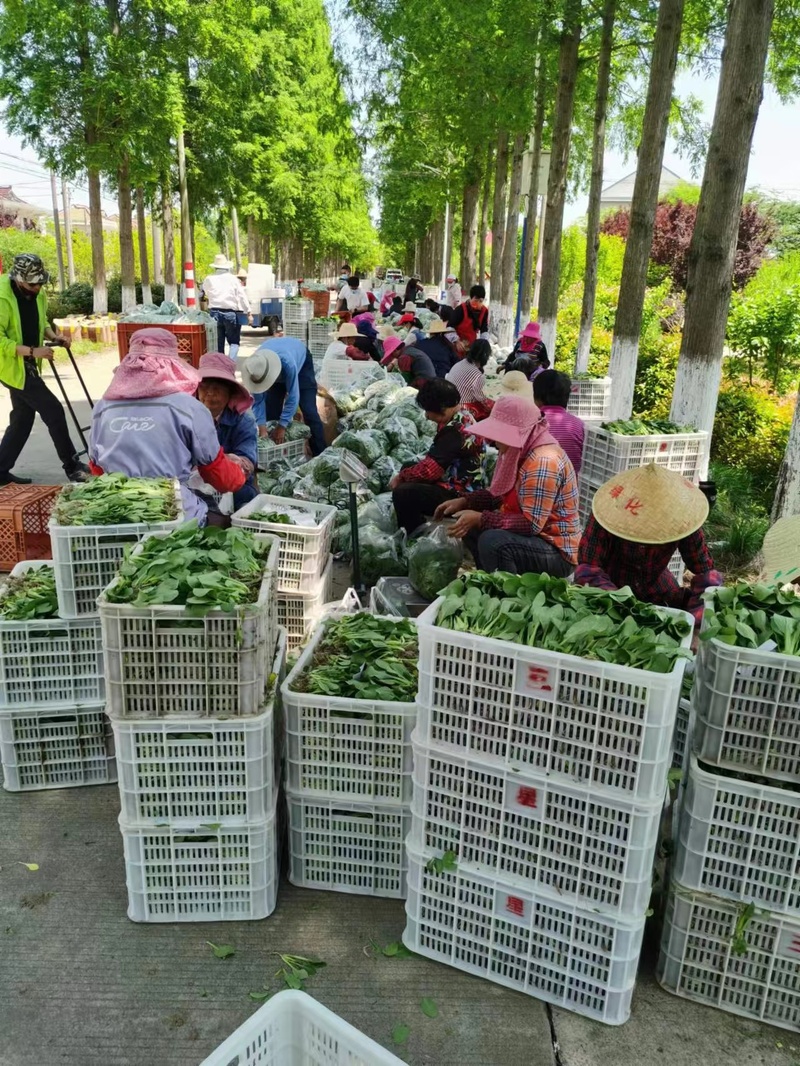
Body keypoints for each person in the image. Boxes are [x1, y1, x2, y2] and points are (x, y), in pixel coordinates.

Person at [89, 328, 245, 522]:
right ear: (173, 365)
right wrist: (239, 474)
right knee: (222, 522)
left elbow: (96, 468)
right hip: (169, 508)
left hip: (114, 509)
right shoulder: (190, 408)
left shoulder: (102, 407)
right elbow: (220, 476)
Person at [435, 394, 580, 577]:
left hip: (554, 549)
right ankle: (488, 581)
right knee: (471, 528)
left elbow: (531, 524)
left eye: (499, 435)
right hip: (534, 539)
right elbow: (500, 493)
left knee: (493, 541)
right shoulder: (519, 453)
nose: (494, 442)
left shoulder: (542, 461)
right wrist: (465, 501)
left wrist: (481, 518)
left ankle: (505, 596)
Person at [574, 464, 723, 624]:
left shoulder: (682, 519)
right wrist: (622, 606)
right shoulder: (609, 513)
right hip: (609, 587)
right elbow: (588, 570)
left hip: (655, 586)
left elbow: (706, 573)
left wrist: (697, 623)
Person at [0, 253, 89, 484]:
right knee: (53, 410)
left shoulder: (37, 294)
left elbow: (41, 322)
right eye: (32, 284)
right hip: (10, 366)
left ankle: (0, 471)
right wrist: (31, 351)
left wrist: (54, 336)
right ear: (19, 280)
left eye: (40, 283)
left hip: (28, 362)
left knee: (22, 418)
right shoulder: (2, 296)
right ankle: (72, 466)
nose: (37, 288)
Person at [391, 378, 485, 534]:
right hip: (459, 480)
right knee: (408, 467)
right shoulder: (463, 415)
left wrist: (400, 477)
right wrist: (405, 473)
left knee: (403, 493)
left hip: (460, 494)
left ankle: (414, 536)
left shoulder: (454, 431)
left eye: (429, 410)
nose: (427, 416)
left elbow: (430, 471)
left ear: (442, 408)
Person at [195, 352, 258, 510]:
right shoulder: (186, 418)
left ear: (230, 392)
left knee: (246, 499)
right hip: (195, 485)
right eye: (204, 385)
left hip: (233, 487)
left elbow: (247, 460)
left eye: (217, 387)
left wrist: (225, 463)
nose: (209, 392)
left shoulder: (243, 421)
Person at [242, 338, 327, 455]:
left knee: (309, 411)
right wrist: (262, 429)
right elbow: (258, 401)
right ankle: (277, 456)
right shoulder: (255, 369)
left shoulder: (288, 363)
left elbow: (294, 396)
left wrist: (282, 426)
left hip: (300, 362)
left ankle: (320, 453)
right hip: (272, 363)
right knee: (271, 414)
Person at [199, 254, 251, 360]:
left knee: (218, 343)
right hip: (230, 314)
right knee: (234, 342)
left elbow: (204, 292)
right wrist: (249, 312)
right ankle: (231, 363)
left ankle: (220, 366)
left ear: (215, 267)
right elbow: (242, 296)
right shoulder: (233, 279)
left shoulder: (209, 279)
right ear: (227, 266)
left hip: (214, 313)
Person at [533, 370, 585, 475]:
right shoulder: (579, 425)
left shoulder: (532, 421)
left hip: (535, 482)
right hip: (571, 486)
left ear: (537, 397)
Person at [446, 338, 492, 419]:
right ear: (486, 357)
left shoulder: (459, 363)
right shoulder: (477, 375)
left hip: (449, 403)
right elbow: (482, 399)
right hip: (462, 408)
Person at [449, 285, 489, 352]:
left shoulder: (484, 311)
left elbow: (484, 330)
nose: (478, 303)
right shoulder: (460, 309)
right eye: (476, 300)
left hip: (471, 346)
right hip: (457, 345)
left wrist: (483, 344)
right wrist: (456, 341)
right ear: (470, 298)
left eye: (481, 301)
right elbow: (449, 327)